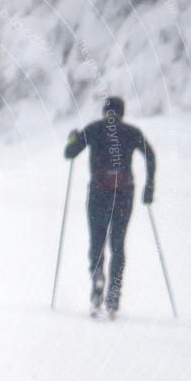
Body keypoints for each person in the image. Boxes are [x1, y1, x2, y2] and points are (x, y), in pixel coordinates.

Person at [64, 96, 156, 317]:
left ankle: (97, 280)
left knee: (97, 241)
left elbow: (70, 153)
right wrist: (149, 187)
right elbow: (150, 156)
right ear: (122, 113)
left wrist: (72, 138)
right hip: (124, 193)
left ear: (105, 111)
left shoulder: (94, 128)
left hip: (98, 192)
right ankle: (114, 294)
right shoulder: (132, 132)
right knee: (118, 243)